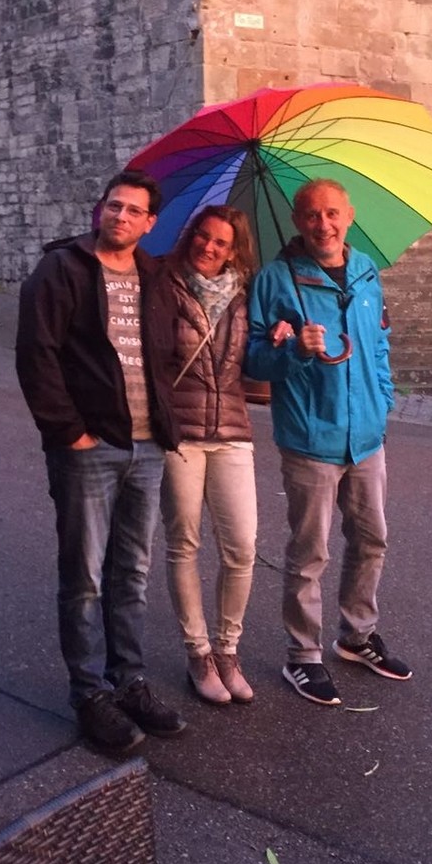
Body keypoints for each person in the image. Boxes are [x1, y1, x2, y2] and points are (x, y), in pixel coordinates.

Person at [15, 169, 187, 755]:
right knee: (85, 577)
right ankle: (89, 693)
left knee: (131, 573)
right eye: (113, 205)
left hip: (147, 447)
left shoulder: (155, 277)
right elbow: (36, 355)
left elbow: (165, 352)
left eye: (133, 210)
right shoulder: (61, 269)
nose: (120, 216)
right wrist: (70, 432)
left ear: (149, 223)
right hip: (89, 447)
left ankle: (129, 681)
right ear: (100, 209)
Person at [245, 178, 412, 706]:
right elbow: (252, 360)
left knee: (371, 539)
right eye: (312, 215)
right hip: (310, 437)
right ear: (298, 221)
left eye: (333, 213)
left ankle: (357, 636)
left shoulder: (365, 271)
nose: (324, 224)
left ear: (349, 215)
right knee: (309, 552)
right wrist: (294, 350)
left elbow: (378, 343)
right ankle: (302, 655)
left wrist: (382, 401)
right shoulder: (275, 280)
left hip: (366, 438)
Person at [160, 205, 258, 706]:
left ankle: (227, 650)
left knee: (241, 547)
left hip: (233, 431)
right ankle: (198, 653)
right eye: (202, 236)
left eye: (220, 242)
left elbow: (255, 362)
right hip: (180, 432)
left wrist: (282, 339)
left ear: (233, 251)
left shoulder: (244, 295)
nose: (208, 246)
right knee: (184, 543)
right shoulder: (164, 284)